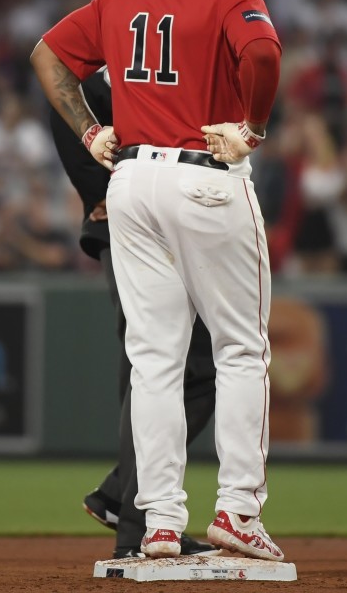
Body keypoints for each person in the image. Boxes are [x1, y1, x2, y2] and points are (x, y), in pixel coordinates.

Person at [30, 0, 285, 562]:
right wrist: (253, 129)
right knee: (240, 351)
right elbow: (263, 57)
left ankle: (161, 523)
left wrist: (91, 134)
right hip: (205, 175)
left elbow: (47, 56)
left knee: (154, 363)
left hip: (133, 182)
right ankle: (238, 509)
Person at [47, 67, 218, 559]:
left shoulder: (188, 32)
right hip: (131, 221)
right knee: (165, 365)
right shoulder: (146, 33)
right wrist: (94, 188)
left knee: (184, 367)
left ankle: (125, 498)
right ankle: (135, 518)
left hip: (171, 220)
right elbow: (64, 83)